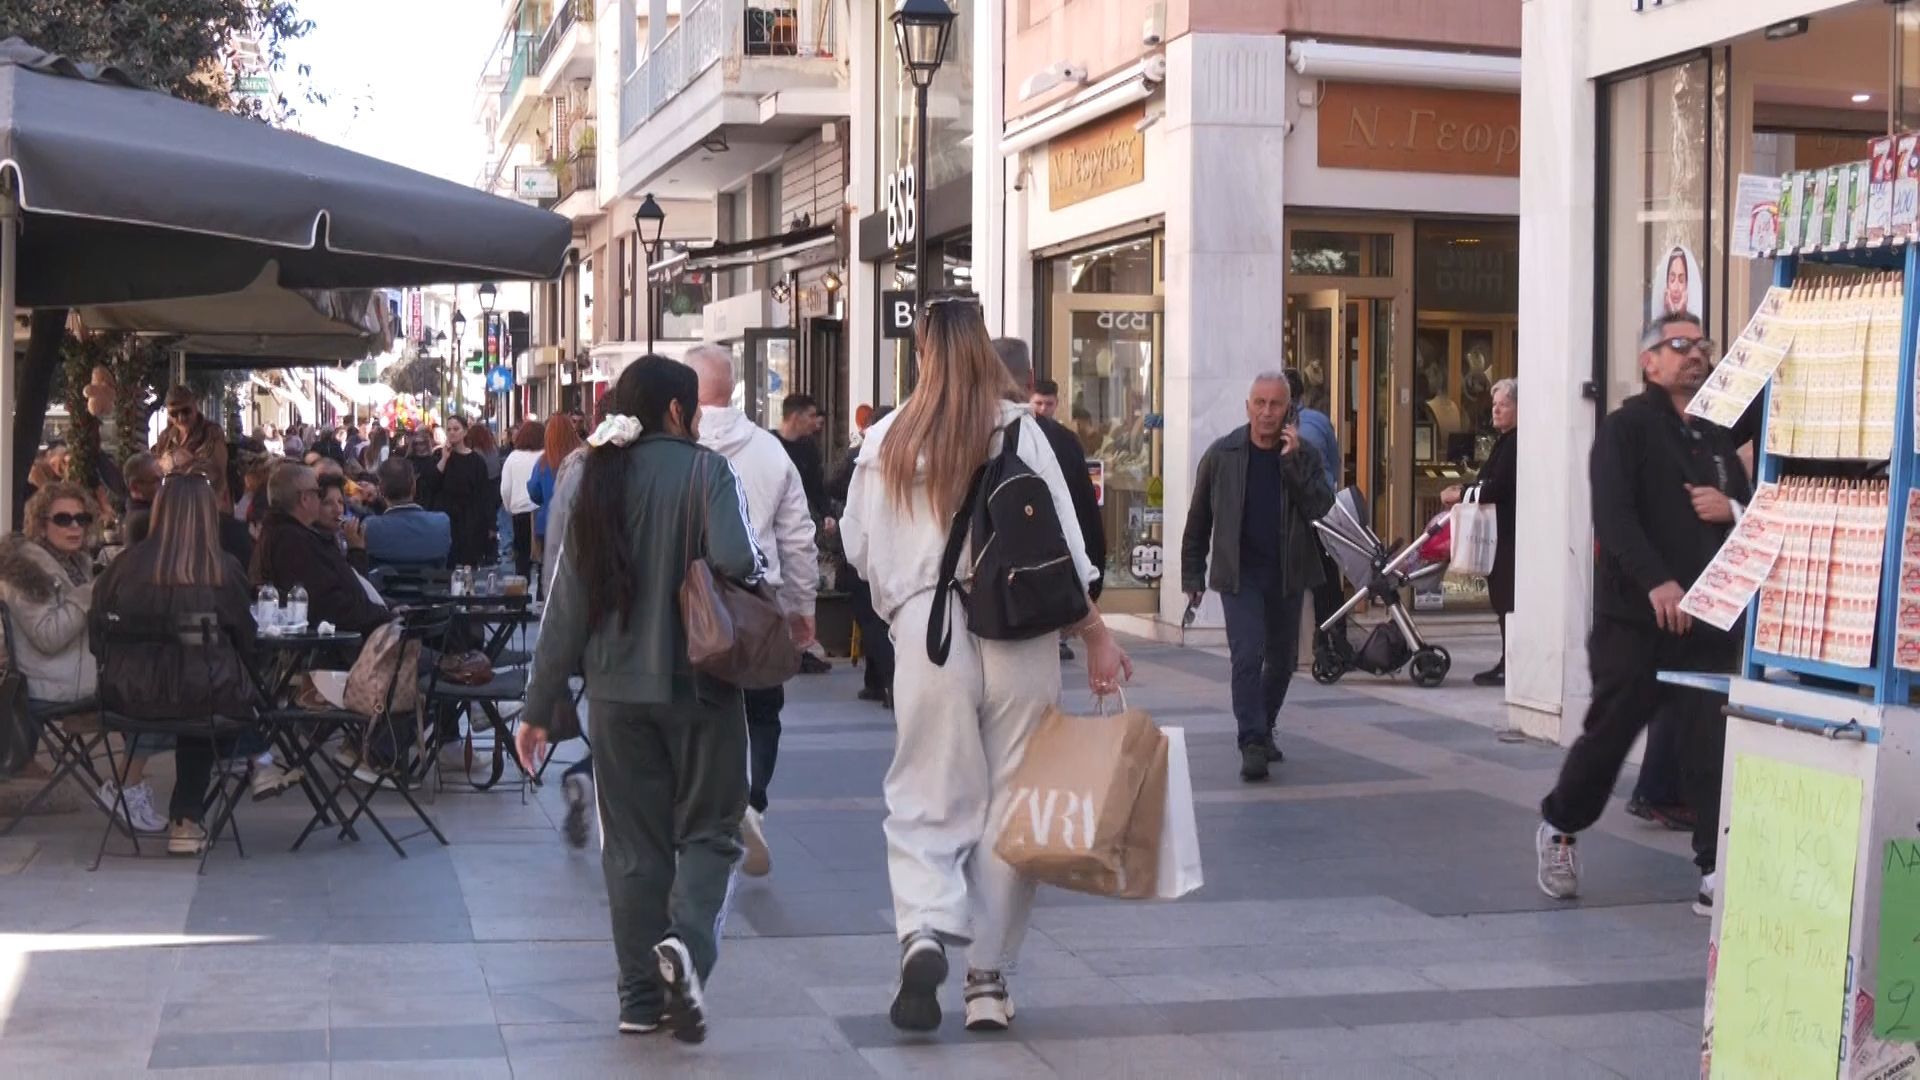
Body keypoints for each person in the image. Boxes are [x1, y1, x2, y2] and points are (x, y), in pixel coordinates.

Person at [841, 297, 1130, 1035]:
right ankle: (988, 982)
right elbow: (1068, 551)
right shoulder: (1021, 432)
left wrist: (903, 600)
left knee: (924, 797)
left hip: (925, 638)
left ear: (920, 355)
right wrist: (1095, 634)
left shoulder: (884, 442)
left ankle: (927, 930)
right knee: (1014, 802)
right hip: (1020, 638)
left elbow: (859, 550)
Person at [519, 355, 765, 1044]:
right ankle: (685, 944)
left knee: (631, 848)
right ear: (681, 412)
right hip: (702, 685)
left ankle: (636, 999)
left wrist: (539, 708)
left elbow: (564, 600)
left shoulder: (594, 478)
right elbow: (740, 562)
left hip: (615, 697)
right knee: (714, 830)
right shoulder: (707, 471)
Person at [1534, 312, 1745, 916]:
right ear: (1649, 360)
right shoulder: (1625, 429)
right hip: (1636, 622)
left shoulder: (1712, 434)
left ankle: (1713, 867)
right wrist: (1657, 582)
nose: (1695, 354)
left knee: (1710, 740)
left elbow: (1752, 502)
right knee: (1610, 737)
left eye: (1702, 344)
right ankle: (1560, 823)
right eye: (1679, 345)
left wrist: (1730, 505)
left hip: (1707, 619)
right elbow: (1615, 516)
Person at [687, 344, 819, 879]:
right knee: (762, 712)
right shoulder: (769, 451)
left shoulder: (676, 448)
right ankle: (753, 802)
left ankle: (704, 812)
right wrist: (800, 607)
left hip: (690, 606)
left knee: (698, 711)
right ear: (733, 387)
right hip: (758, 603)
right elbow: (797, 535)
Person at [91, 474, 260, 856]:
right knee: (205, 699)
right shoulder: (221, 569)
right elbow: (244, 638)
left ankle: (194, 809)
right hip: (203, 698)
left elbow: (97, 634)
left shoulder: (122, 567)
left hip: (126, 696)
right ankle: (186, 819)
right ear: (208, 514)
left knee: (192, 690)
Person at [1182, 373, 1337, 783]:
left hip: (1287, 573)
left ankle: (1264, 726)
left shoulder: (1305, 456)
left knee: (1282, 661)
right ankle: (1251, 740)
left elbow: (1321, 508)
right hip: (1240, 575)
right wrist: (1192, 572)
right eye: (1260, 403)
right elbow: (1199, 519)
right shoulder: (1223, 454)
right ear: (1247, 405)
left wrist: (1293, 465)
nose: (1267, 413)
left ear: (1289, 409)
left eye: (1276, 405)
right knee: (1247, 654)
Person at [992, 339, 1105, 662]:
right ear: (1029, 380)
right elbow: (1070, 513)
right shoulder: (1036, 437)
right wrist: (1087, 604)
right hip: (1029, 596)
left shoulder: (949, 430)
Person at [252, 463, 390, 636]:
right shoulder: (293, 541)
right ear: (304, 499)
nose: (336, 508)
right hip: (340, 646)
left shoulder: (289, 535)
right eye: (318, 494)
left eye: (340, 502)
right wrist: (385, 617)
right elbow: (331, 604)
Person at [1442, 378, 1517, 686]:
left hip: (1509, 534)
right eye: (1495, 404)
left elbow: (1497, 487)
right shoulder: (1506, 441)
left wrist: (1461, 495)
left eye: (1504, 405)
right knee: (1501, 600)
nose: (1496, 411)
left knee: (1507, 600)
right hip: (1501, 534)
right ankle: (1508, 659)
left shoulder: (1515, 443)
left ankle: (1510, 662)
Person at [827, 406, 893, 707]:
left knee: (870, 620)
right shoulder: (903, 455)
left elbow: (833, 486)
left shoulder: (861, 456)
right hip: (893, 550)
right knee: (882, 620)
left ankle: (888, 681)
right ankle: (875, 680)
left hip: (865, 548)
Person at [427, 416, 496, 569]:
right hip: (445, 518)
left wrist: (490, 525)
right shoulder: (439, 456)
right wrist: (444, 458)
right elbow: (432, 483)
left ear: (465, 432)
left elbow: (484, 494)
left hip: (469, 520)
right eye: (449, 429)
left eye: (456, 429)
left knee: (467, 565)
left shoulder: (476, 461)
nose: (452, 433)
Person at [364, 457, 453, 569]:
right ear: (414, 486)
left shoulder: (370, 527)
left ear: (381, 489)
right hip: (431, 585)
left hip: (383, 586)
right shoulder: (441, 523)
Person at [528, 413, 584, 589]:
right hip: (577, 521)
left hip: (548, 522)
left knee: (550, 568)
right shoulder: (582, 457)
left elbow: (534, 491)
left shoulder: (544, 462)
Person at [153, 387, 231, 512]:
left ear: (195, 406)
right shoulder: (166, 436)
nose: (181, 418)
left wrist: (186, 463)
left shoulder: (211, 433)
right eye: (174, 414)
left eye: (186, 411)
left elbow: (218, 472)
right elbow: (154, 468)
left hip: (207, 506)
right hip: (175, 508)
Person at [500, 420, 543, 580]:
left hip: (519, 512)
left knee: (522, 557)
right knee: (542, 558)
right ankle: (541, 595)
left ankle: (521, 597)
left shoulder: (513, 457)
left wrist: (509, 507)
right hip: (540, 511)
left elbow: (505, 488)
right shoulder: (545, 456)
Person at [776, 393, 828, 519]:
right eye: (811, 416)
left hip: (800, 520)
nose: (815, 422)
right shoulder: (769, 444)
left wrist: (827, 514)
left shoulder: (810, 447)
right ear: (795, 417)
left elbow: (816, 487)